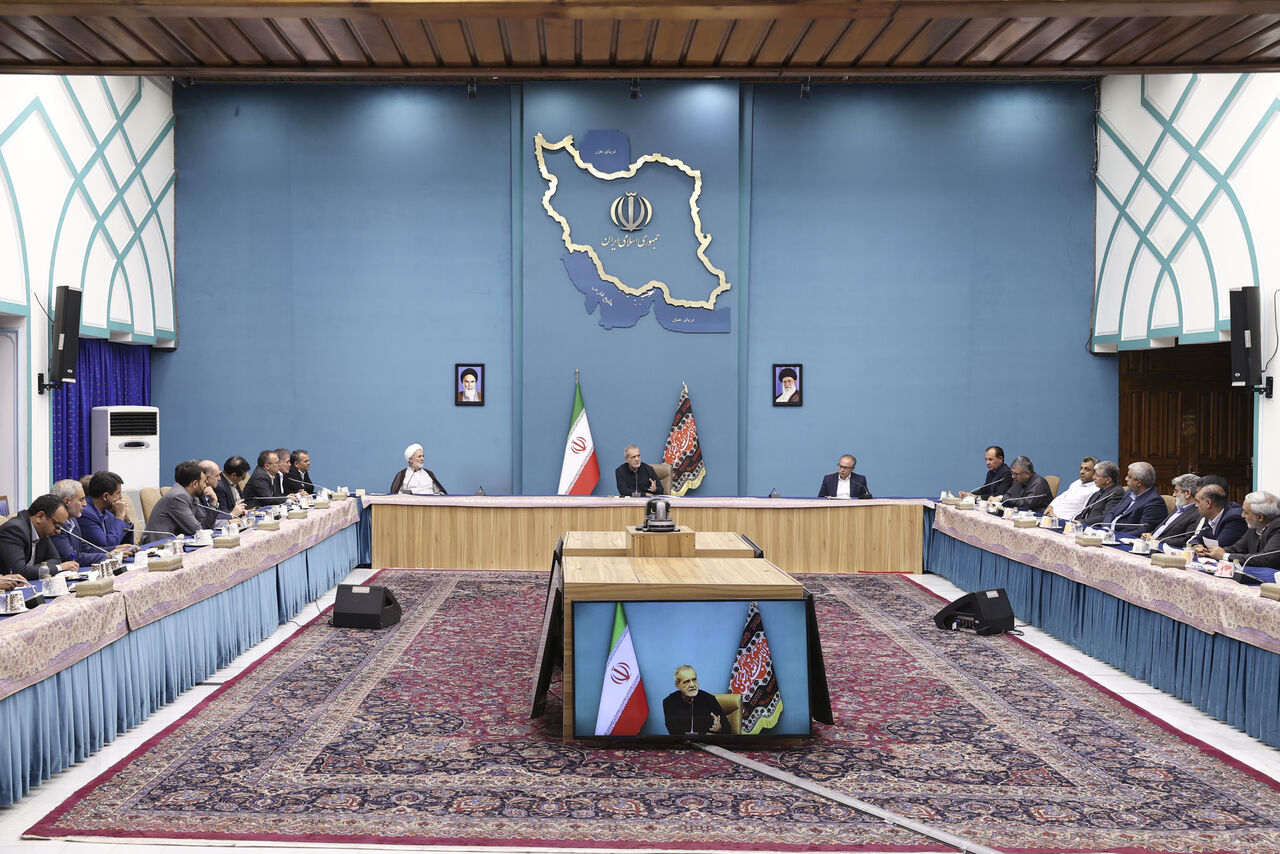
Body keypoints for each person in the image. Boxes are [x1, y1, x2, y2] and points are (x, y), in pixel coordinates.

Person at [1197, 491, 1280, 581]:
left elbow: (1265, 559)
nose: (1242, 515)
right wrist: (1210, 553)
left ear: (1260, 517)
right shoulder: (1255, 526)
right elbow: (1237, 548)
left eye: (1245, 512)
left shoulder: (1277, 527)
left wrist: (1225, 556)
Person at [0, 494, 79, 580]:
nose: (58, 531)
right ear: (40, 516)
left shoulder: (42, 530)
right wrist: (59, 568)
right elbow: (20, 572)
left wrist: (33, 570)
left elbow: (56, 559)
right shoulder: (14, 530)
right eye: (57, 525)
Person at [50, 478, 113, 565]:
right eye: (81, 500)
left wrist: (114, 550)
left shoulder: (73, 520)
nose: (85, 504)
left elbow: (84, 548)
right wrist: (106, 556)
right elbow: (70, 557)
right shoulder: (56, 525)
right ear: (67, 502)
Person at [144, 461, 210, 543]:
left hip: (174, 542)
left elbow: (205, 527)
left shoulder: (193, 497)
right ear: (195, 484)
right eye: (204, 482)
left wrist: (214, 503)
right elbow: (197, 530)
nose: (206, 485)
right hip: (157, 544)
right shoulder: (178, 497)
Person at [1102, 461, 1167, 534]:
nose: (1126, 478)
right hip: (1108, 533)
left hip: (1123, 537)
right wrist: (1105, 528)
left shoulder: (1154, 502)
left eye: (1129, 477)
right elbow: (1111, 512)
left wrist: (1114, 536)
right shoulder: (1130, 492)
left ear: (1139, 482)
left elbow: (1143, 530)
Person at [80, 471, 136, 551]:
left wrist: (126, 520)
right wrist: (119, 516)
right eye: (118, 493)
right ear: (105, 496)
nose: (121, 497)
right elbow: (108, 545)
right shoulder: (85, 513)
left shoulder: (109, 511)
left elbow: (126, 544)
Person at [1143, 474, 1202, 546]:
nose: (1173, 495)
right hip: (1151, 543)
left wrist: (1157, 540)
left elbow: (1185, 540)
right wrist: (1151, 534)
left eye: (1176, 491)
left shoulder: (1197, 513)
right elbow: (1164, 527)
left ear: (1187, 493)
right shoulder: (1179, 506)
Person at [662, 665, 723, 735]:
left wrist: (720, 728)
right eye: (687, 682)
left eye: (694, 680)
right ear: (677, 685)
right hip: (683, 741)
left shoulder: (709, 699)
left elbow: (728, 728)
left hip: (707, 741)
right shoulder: (669, 702)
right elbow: (673, 731)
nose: (692, 685)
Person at [1187, 483, 1246, 549]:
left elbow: (1220, 547)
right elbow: (1197, 539)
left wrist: (1203, 550)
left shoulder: (1234, 518)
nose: (1196, 505)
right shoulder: (1209, 515)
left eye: (1198, 502)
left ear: (1208, 503)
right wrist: (1197, 546)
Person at [1075, 460, 1125, 526]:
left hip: (1096, 528)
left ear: (1108, 480)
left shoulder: (1116, 493)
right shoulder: (1099, 492)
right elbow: (1084, 513)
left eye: (1097, 475)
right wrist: (1074, 521)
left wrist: (1082, 522)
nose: (1094, 477)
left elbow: (1107, 517)